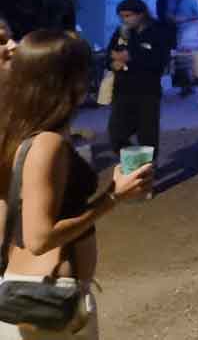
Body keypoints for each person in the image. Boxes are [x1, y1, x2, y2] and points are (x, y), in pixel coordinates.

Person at [0, 31, 154, 339]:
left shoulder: (21, 133)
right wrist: (113, 197)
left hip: (33, 293)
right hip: (47, 301)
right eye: (84, 70)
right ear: (67, 80)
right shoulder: (47, 143)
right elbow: (39, 238)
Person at [105, 0, 168, 165]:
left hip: (147, 91)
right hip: (122, 90)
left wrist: (131, 57)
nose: (125, 20)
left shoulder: (157, 31)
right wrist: (113, 63)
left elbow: (159, 61)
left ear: (141, 14)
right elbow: (109, 54)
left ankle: (146, 169)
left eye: (128, 16)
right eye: (122, 16)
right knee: (116, 132)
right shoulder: (121, 32)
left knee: (147, 134)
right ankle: (135, 163)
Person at [162, 0, 198, 98]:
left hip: (192, 31)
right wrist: (171, 17)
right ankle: (186, 87)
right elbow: (167, 13)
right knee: (181, 60)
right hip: (178, 32)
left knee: (194, 59)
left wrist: (185, 19)